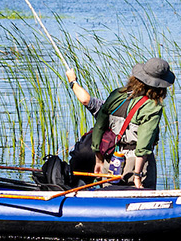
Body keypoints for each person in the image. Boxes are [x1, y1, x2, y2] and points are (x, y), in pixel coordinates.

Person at [66, 58, 175, 189]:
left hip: (110, 160)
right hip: (134, 164)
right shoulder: (152, 107)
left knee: (109, 198)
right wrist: (137, 176)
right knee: (141, 202)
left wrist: (99, 160)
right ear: (161, 86)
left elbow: (99, 127)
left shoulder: (117, 95)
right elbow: (143, 146)